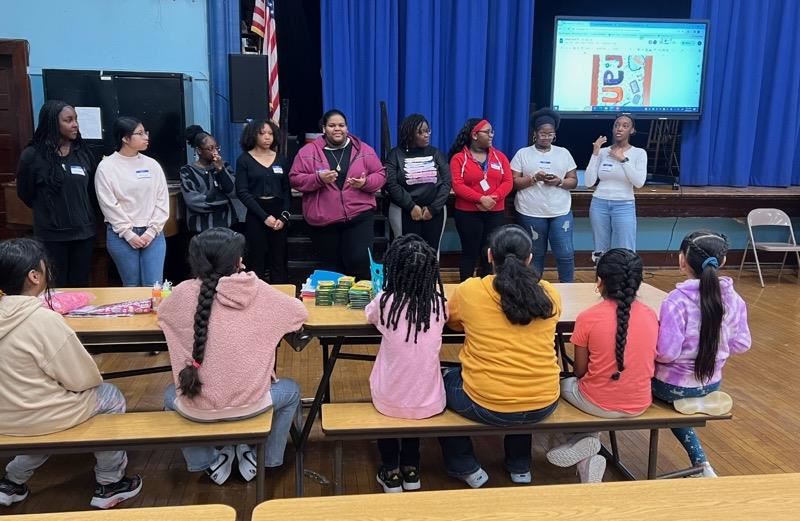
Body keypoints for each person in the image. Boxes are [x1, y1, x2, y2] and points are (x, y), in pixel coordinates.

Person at [157, 227, 307, 485]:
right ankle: (266, 459)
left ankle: (208, 461)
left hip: (198, 407)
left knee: (170, 395)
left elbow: (162, 314)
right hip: (253, 403)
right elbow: (298, 313)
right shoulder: (255, 289)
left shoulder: (182, 294)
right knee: (292, 391)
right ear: (238, 261)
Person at [0, 238, 142, 509]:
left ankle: (13, 480)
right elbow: (82, 379)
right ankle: (110, 483)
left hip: (5, 417)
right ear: (34, 276)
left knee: (38, 405)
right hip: (40, 416)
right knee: (110, 396)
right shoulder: (44, 320)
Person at [438, 225, 561, 487]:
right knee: (522, 383)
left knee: (436, 383)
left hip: (487, 404)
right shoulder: (549, 293)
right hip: (544, 400)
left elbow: (453, 324)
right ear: (530, 257)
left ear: (490, 255)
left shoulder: (470, 290)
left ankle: (465, 465)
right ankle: (520, 466)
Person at [546, 249, 658, 483]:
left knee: (558, 386)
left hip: (597, 403)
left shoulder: (588, 317)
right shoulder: (650, 315)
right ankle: (586, 460)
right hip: (639, 402)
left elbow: (579, 371)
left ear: (599, 281)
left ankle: (581, 440)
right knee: (591, 390)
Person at [652, 231, 751, 478]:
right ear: (723, 261)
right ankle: (701, 463)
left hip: (671, 386)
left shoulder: (676, 300)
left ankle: (702, 462)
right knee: (681, 401)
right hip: (711, 381)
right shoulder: (734, 299)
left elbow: (666, 353)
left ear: (682, 260)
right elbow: (741, 344)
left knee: (640, 381)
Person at [366, 234, 448, 493]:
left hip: (388, 398)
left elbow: (370, 315)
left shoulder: (386, 302)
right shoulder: (438, 305)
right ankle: (411, 470)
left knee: (395, 399)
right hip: (428, 399)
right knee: (414, 402)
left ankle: (390, 471)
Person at [290, 109, 385, 280]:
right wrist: (318, 178)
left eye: (341, 125)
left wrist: (365, 183)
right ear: (324, 129)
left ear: (347, 128)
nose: (337, 129)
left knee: (359, 261)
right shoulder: (308, 152)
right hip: (324, 220)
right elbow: (295, 179)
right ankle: (335, 305)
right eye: (332, 125)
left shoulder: (364, 150)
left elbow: (380, 175)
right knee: (331, 267)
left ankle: (362, 302)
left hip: (358, 215)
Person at [15, 100, 97, 287]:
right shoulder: (32, 155)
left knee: (80, 286)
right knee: (55, 287)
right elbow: (25, 193)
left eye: (75, 119)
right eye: (68, 120)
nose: (75, 124)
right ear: (52, 123)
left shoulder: (82, 152)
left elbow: (91, 191)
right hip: (51, 236)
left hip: (83, 234)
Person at [95, 117, 169, 287]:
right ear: (125, 138)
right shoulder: (107, 167)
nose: (146, 137)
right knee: (131, 286)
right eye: (140, 133)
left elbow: (162, 200)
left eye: (146, 132)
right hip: (122, 234)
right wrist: (128, 233)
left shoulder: (152, 165)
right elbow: (108, 204)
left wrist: (151, 231)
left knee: (154, 285)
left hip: (153, 232)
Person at [511, 108, 578, 282]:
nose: (546, 137)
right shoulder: (522, 154)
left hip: (560, 211)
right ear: (535, 133)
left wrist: (559, 181)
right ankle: (533, 289)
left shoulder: (563, 153)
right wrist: (533, 178)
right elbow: (514, 182)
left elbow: (573, 180)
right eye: (543, 133)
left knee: (565, 253)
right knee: (535, 254)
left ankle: (568, 288)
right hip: (530, 212)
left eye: (550, 134)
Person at [448, 118, 514, 281]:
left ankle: (485, 289)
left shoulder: (500, 157)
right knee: (470, 252)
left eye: (492, 132)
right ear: (474, 135)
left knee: (489, 252)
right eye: (487, 132)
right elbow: (457, 185)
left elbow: (508, 181)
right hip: (468, 213)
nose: (491, 135)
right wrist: (480, 199)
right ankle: (465, 289)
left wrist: (494, 197)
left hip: (495, 212)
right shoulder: (458, 158)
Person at [384, 114, 451, 253]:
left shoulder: (435, 153)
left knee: (432, 252)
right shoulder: (395, 154)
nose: (426, 135)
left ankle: (430, 276)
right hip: (403, 211)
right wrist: (411, 206)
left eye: (427, 131)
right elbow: (391, 183)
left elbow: (446, 182)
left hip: (434, 212)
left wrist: (433, 208)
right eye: (420, 132)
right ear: (409, 134)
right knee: (406, 252)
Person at [235, 119, 291, 283]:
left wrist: (284, 217)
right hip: (256, 213)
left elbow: (287, 189)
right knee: (256, 258)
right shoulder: (244, 160)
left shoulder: (281, 159)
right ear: (253, 135)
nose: (267, 137)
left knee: (279, 260)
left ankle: (280, 298)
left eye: (270, 133)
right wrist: (264, 216)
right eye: (262, 133)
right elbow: (242, 191)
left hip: (279, 213)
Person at [585, 114, 647, 258]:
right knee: (600, 250)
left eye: (625, 126)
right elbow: (589, 182)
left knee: (626, 249)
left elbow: (639, 182)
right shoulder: (602, 152)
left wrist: (623, 159)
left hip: (624, 204)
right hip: (599, 203)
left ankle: (626, 279)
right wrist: (595, 153)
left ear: (632, 131)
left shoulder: (639, 153)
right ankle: (602, 279)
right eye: (617, 125)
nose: (619, 129)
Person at [179, 125, 240, 234]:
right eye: (210, 148)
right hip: (200, 230)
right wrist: (223, 201)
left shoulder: (224, 166)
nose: (215, 152)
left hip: (227, 227)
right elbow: (193, 202)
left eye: (217, 148)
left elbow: (233, 191)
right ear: (199, 150)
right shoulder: (187, 171)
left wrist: (221, 170)